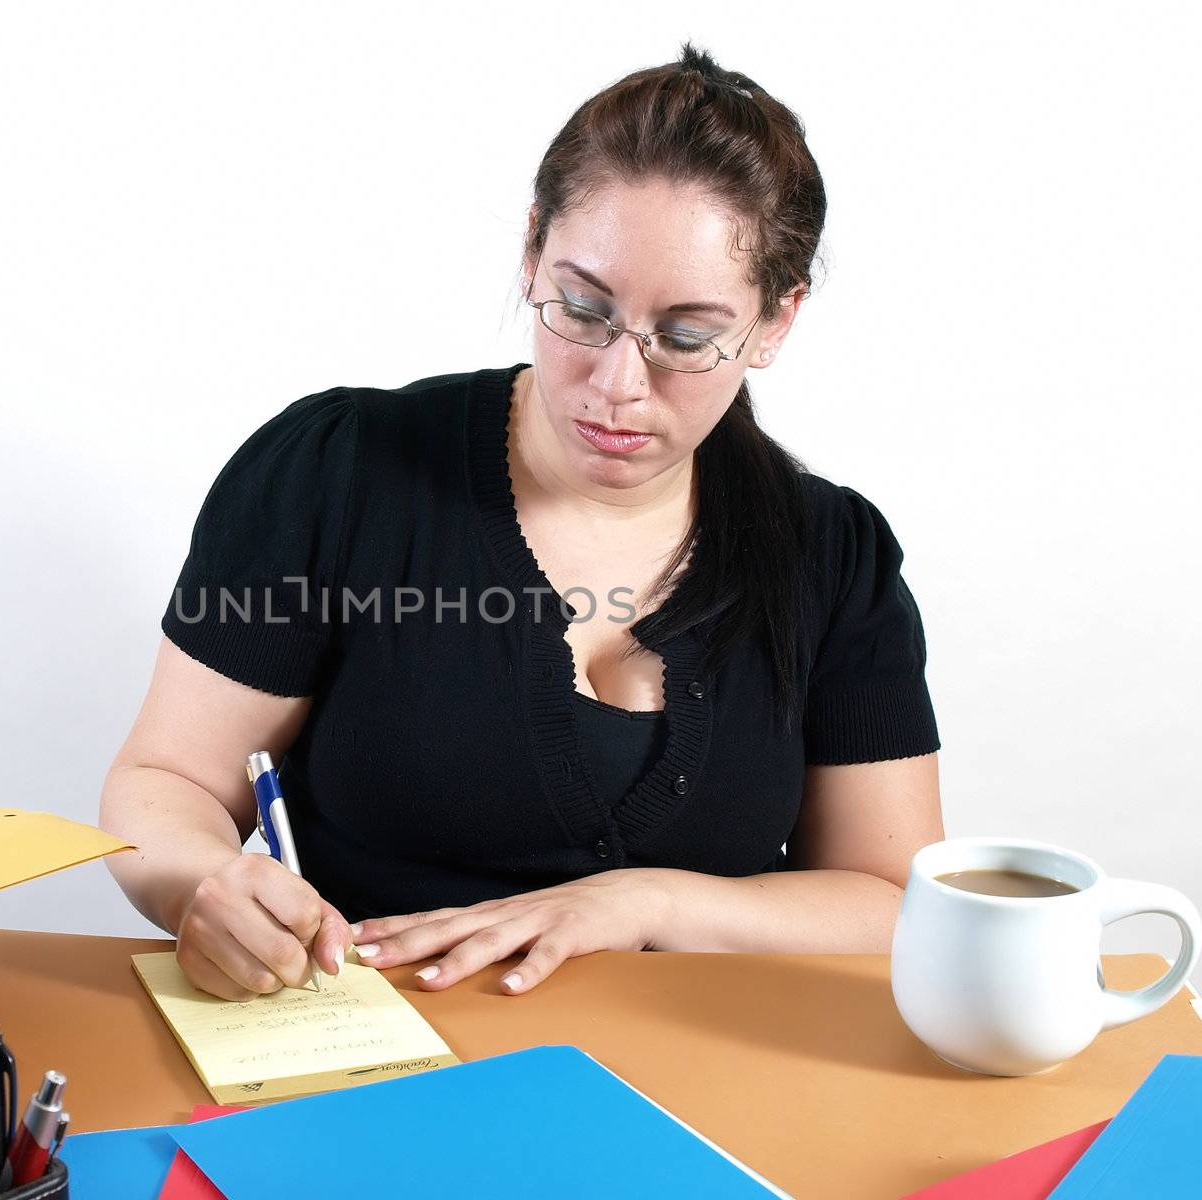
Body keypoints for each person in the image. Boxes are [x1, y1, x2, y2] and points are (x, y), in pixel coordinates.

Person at [100, 44, 943, 1002]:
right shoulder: (338, 473)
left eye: (687, 337)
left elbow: (895, 902)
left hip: (704, 1094)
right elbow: (162, 778)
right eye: (582, 309)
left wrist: (642, 904)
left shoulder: (833, 557)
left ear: (776, 323)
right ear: (533, 247)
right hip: (363, 1065)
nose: (619, 385)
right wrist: (199, 882)